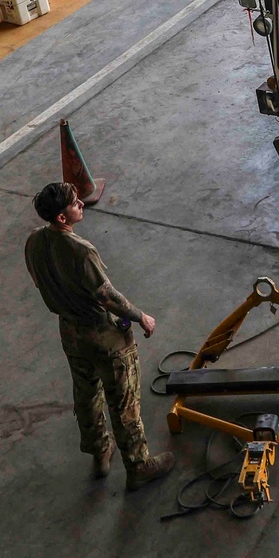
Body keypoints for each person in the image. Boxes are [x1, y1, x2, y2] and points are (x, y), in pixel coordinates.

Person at [24, 180, 175, 490]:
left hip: (69, 331)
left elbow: (39, 282)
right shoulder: (80, 251)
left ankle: (99, 453)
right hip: (101, 334)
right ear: (62, 218)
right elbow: (106, 296)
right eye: (75, 203)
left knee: (86, 394)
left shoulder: (34, 242)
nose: (82, 204)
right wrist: (141, 317)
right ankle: (138, 465)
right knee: (124, 401)